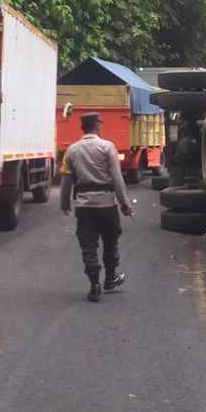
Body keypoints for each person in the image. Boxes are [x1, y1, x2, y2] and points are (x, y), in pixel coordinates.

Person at [60, 112, 133, 302]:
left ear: (83, 127)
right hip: (107, 204)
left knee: (88, 246)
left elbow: (67, 179)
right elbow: (117, 178)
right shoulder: (107, 147)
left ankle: (94, 285)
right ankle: (110, 278)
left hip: (84, 206)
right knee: (110, 242)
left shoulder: (72, 150)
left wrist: (64, 202)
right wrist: (125, 204)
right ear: (97, 125)